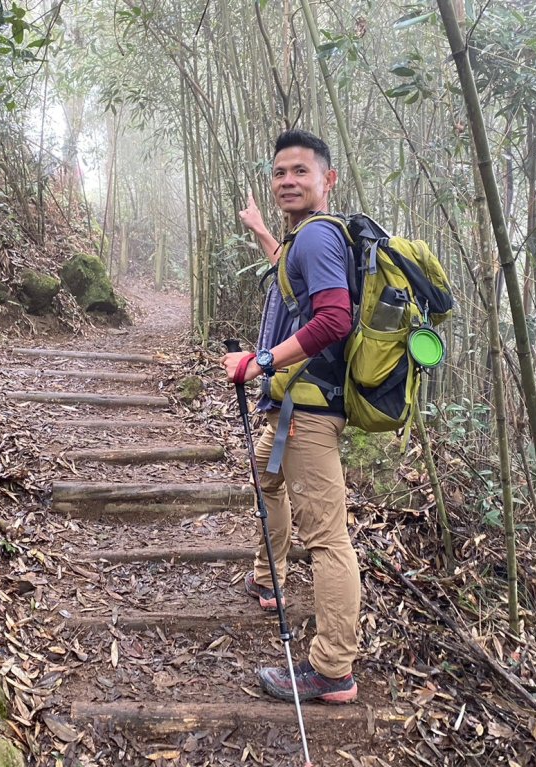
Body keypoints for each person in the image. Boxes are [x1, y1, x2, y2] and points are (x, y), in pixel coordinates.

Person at [220, 129, 359, 704]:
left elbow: (334, 319)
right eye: (280, 172)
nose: (287, 181)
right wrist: (261, 234)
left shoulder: (319, 238)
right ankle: (267, 577)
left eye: (300, 171)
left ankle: (332, 669)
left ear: (328, 179)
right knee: (266, 479)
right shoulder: (304, 240)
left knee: (327, 539)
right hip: (292, 403)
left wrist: (262, 361)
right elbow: (294, 278)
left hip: (309, 409)